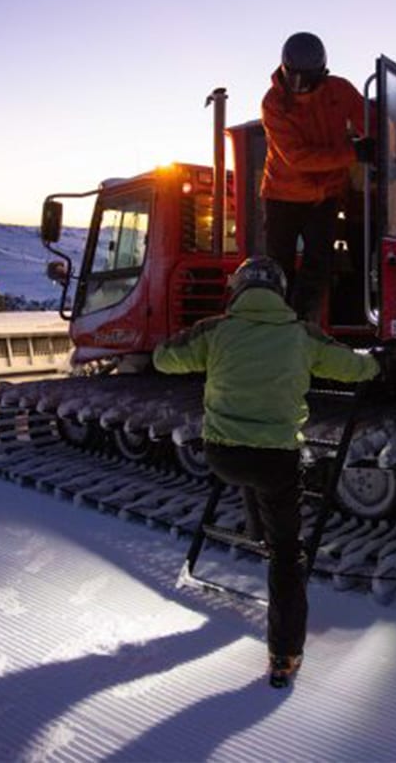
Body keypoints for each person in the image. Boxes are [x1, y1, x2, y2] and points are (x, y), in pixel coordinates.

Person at [152, 255, 378, 687]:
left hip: (222, 455)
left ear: (237, 290)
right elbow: (355, 367)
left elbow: (164, 358)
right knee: (288, 555)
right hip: (276, 459)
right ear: (279, 292)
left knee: (246, 471)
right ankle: (284, 655)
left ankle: (259, 534)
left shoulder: (217, 329)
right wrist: (375, 362)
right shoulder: (300, 335)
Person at [260, 31, 374, 323]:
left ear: (322, 73)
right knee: (278, 267)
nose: (298, 87)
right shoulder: (273, 103)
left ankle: (299, 325)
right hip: (281, 196)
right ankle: (275, 324)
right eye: (292, 77)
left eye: (306, 79)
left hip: (324, 197)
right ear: (284, 70)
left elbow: (371, 120)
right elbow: (298, 158)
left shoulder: (340, 91)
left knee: (318, 264)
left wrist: (386, 143)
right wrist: (354, 152)